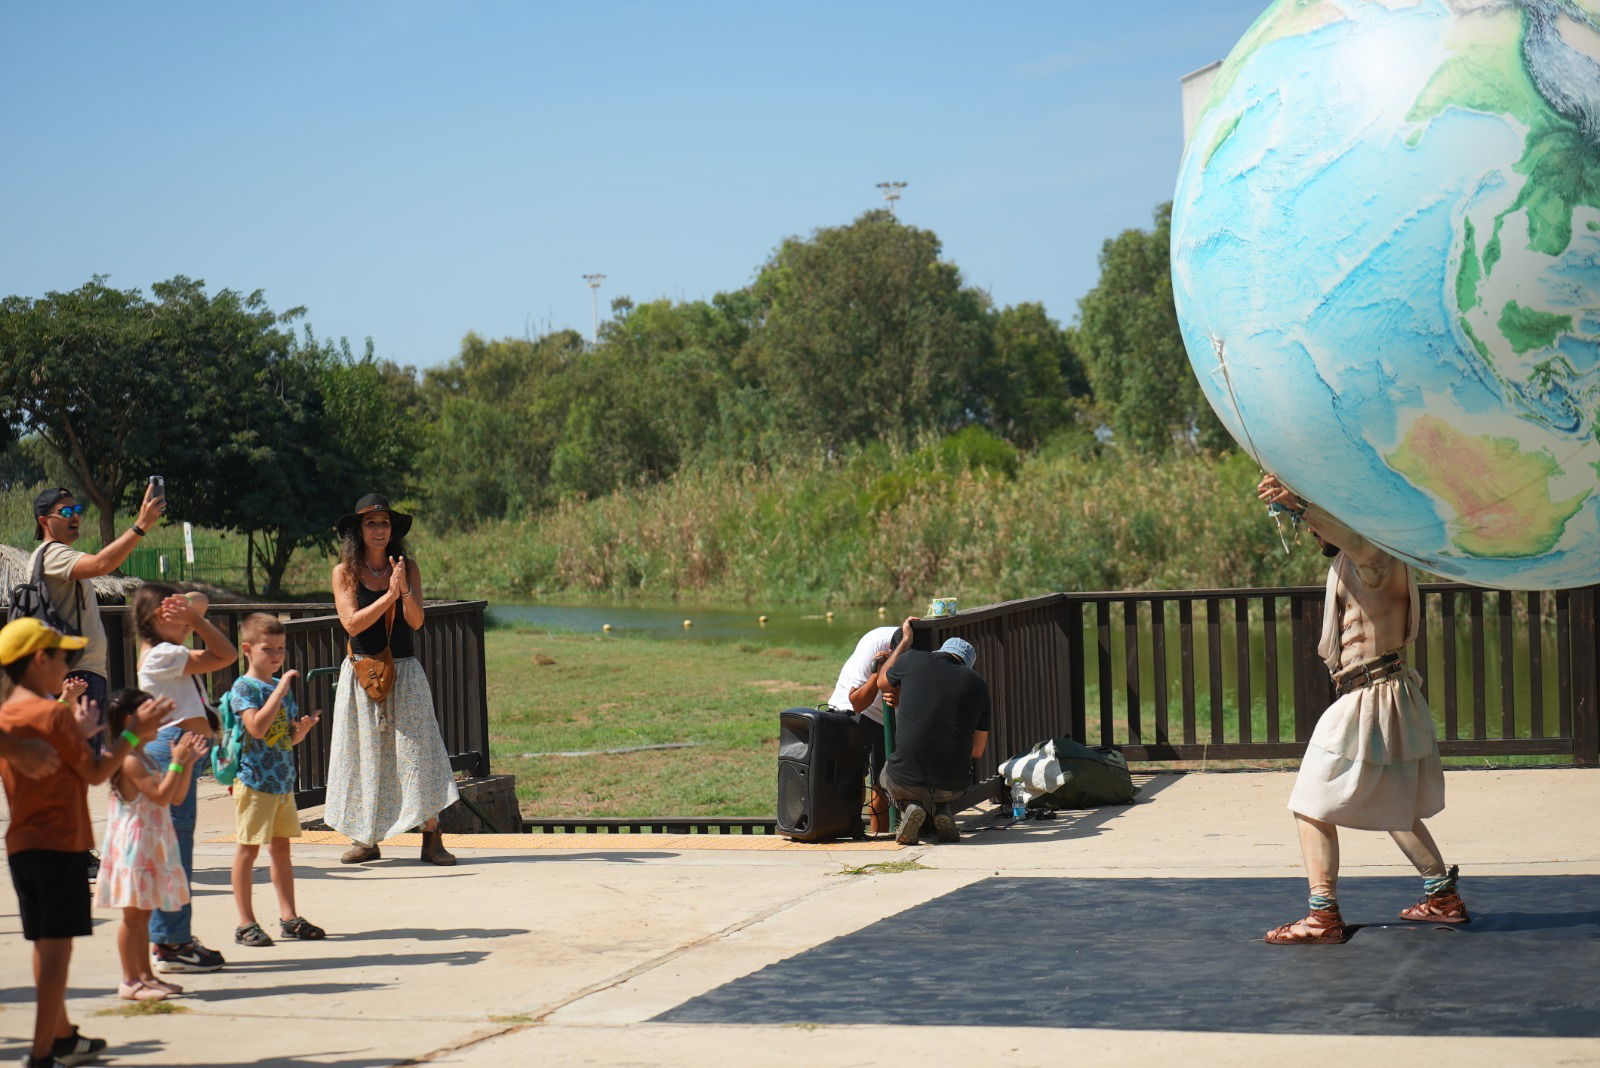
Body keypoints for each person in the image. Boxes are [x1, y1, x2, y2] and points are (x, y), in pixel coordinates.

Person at [1257, 473, 1466, 945]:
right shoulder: (1365, 558)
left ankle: (1322, 916)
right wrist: (1296, 506)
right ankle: (1442, 896)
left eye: (1322, 523)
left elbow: (1351, 538)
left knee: (1310, 803)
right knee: (1393, 803)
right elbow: (1341, 536)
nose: (1316, 534)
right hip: (1383, 693)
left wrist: (1300, 504)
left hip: (1373, 696)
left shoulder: (1377, 557)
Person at [0, 618, 165, 1068]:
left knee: (44, 945)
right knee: (58, 951)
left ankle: (61, 1036)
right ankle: (41, 1053)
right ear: (40, 660)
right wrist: (132, 733)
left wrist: (82, 735)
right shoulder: (52, 713)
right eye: (63, 657)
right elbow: (96, 773)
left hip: (22, 844)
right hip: (62, 843)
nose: (68, 667)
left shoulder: (8, 714)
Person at [327, 494, 459, 866]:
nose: (379, 529)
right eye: (371, 523)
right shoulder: (344, 572)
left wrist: (403, 590)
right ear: (358, 530)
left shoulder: (406, 566)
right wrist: (388, 596)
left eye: (384, 523)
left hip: (405, 670)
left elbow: (416, 620)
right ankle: (365, 838)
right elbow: (352, 624)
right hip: (363, 672)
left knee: (418, 753)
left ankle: (431, 836)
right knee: (363, 754)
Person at [134, 583, 237, 973]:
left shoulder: (162, 649)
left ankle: (174, 937)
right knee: (174, 849)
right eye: (177, 618)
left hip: (180, 748)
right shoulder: (164, 654)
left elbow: (200, 601)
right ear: (156, 618)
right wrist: (194, 618)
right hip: (172, 749)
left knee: (177, 847)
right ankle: (170, 942)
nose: (189, 626)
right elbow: (226, 655)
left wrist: (188, 612)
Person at [95, 689, 207, 1001]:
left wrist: (185, 764)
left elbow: (175, 797)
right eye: (153, 713)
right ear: (130, 720)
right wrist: (177, 762)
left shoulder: (144, 756)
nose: (161, 720)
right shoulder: (130, 760)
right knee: (132, 917)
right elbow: (160, 796)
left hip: (150, 845)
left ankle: (146, 976)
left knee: (143, 915)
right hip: (134, 848)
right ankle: (130, 980)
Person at [30, 483, 167, 737]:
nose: (76, 517)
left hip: (77, 672)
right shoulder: (53, 554)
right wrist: (141, 525)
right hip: (76, 676)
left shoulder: (52, 555)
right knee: (81, 755)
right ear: (44, 522)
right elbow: (102, 564)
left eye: (77, 510)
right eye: (66, 512)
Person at [228, 612, 325, 946]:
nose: (276, 655)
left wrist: (303, 731)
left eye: (280, 648)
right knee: (248, 850)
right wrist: (280, 690)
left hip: (282, 783)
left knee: (281, 849)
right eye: (267, 649)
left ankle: (289, 917)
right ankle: (245, 922)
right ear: (247, 649)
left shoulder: (277, 688)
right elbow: (256, 727)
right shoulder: (244, 687)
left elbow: (284, 737)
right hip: (254, 782)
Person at [879, 636, 990, 846]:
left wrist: (893, 656)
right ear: (966, 664)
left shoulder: (912, 659)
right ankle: (943, 810)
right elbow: (977, 750)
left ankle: (909, 807)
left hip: (905, 777)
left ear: (940, 652)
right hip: (953, 785)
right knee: (943, 785)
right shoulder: (978, 685)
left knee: (885, 776)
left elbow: (882, 682)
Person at [826, 619, 915, 835]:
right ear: (890, 651)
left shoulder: (922, 655)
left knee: (882, 785)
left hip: (889, 717)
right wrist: (878, 674)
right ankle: (852, 831)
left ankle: (881, 837)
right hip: (854, 709)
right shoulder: (874, 644)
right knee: (852, 780)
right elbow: (857, 702)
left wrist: (903, 698)